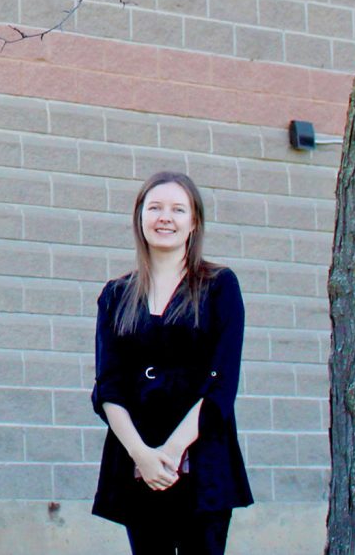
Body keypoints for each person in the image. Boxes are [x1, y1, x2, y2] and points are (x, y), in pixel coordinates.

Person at [91, 171, 253, 554]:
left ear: (193, 222)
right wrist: (143, 456)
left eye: (178, 209)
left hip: (203, 460)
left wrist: (172, 452)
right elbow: (108, 385)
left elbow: (222, 382)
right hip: (137, 464)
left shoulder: (219, 286)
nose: (166, 218)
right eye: (155, 208)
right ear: (140, 218)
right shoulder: (116, 295)